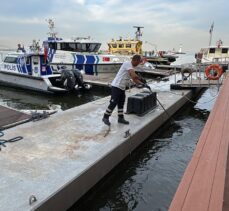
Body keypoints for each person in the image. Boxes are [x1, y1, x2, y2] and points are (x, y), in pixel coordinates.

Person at [102, 54, 144, 126]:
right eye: (138, 62)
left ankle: (120, 118)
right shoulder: (127, 64)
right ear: (135, 60)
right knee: (113, 102)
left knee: (121, 103)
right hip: (116, 86)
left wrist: (142, 84)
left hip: (122, 87)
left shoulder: (131, 67)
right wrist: (141, 81)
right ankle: (105, 117)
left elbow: (133, 79)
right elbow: (134, 76)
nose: (138, 64)